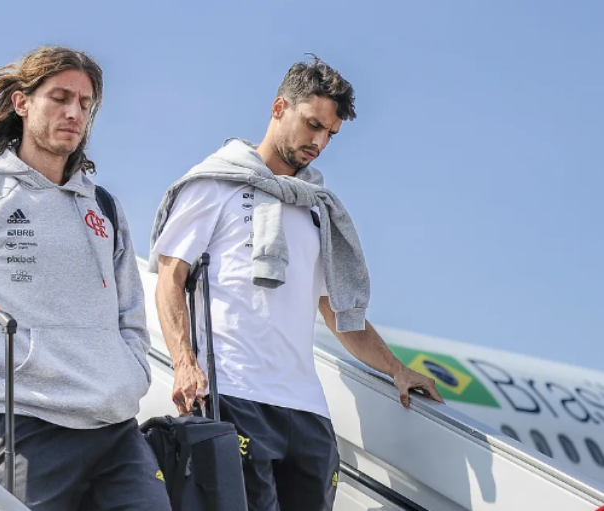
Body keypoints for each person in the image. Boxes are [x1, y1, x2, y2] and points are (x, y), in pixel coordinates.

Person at [150, 55, 444, 511]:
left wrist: (396, 369)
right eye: (312, 125)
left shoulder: (316, 208)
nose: (320, 142)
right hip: (234, 394)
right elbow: (170, 277)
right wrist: (184, 363)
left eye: (330, 134)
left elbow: (340, 313)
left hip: (307, 410)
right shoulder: (214, 184)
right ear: (278, 106)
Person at [0, 46, 171, 511]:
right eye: (60, 97)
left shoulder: (104, 207)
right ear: (22, 103)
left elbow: (131, 315)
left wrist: (130, 375)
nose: (74, 113)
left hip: (115, 425)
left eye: (85, 104)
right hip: (23, 420)